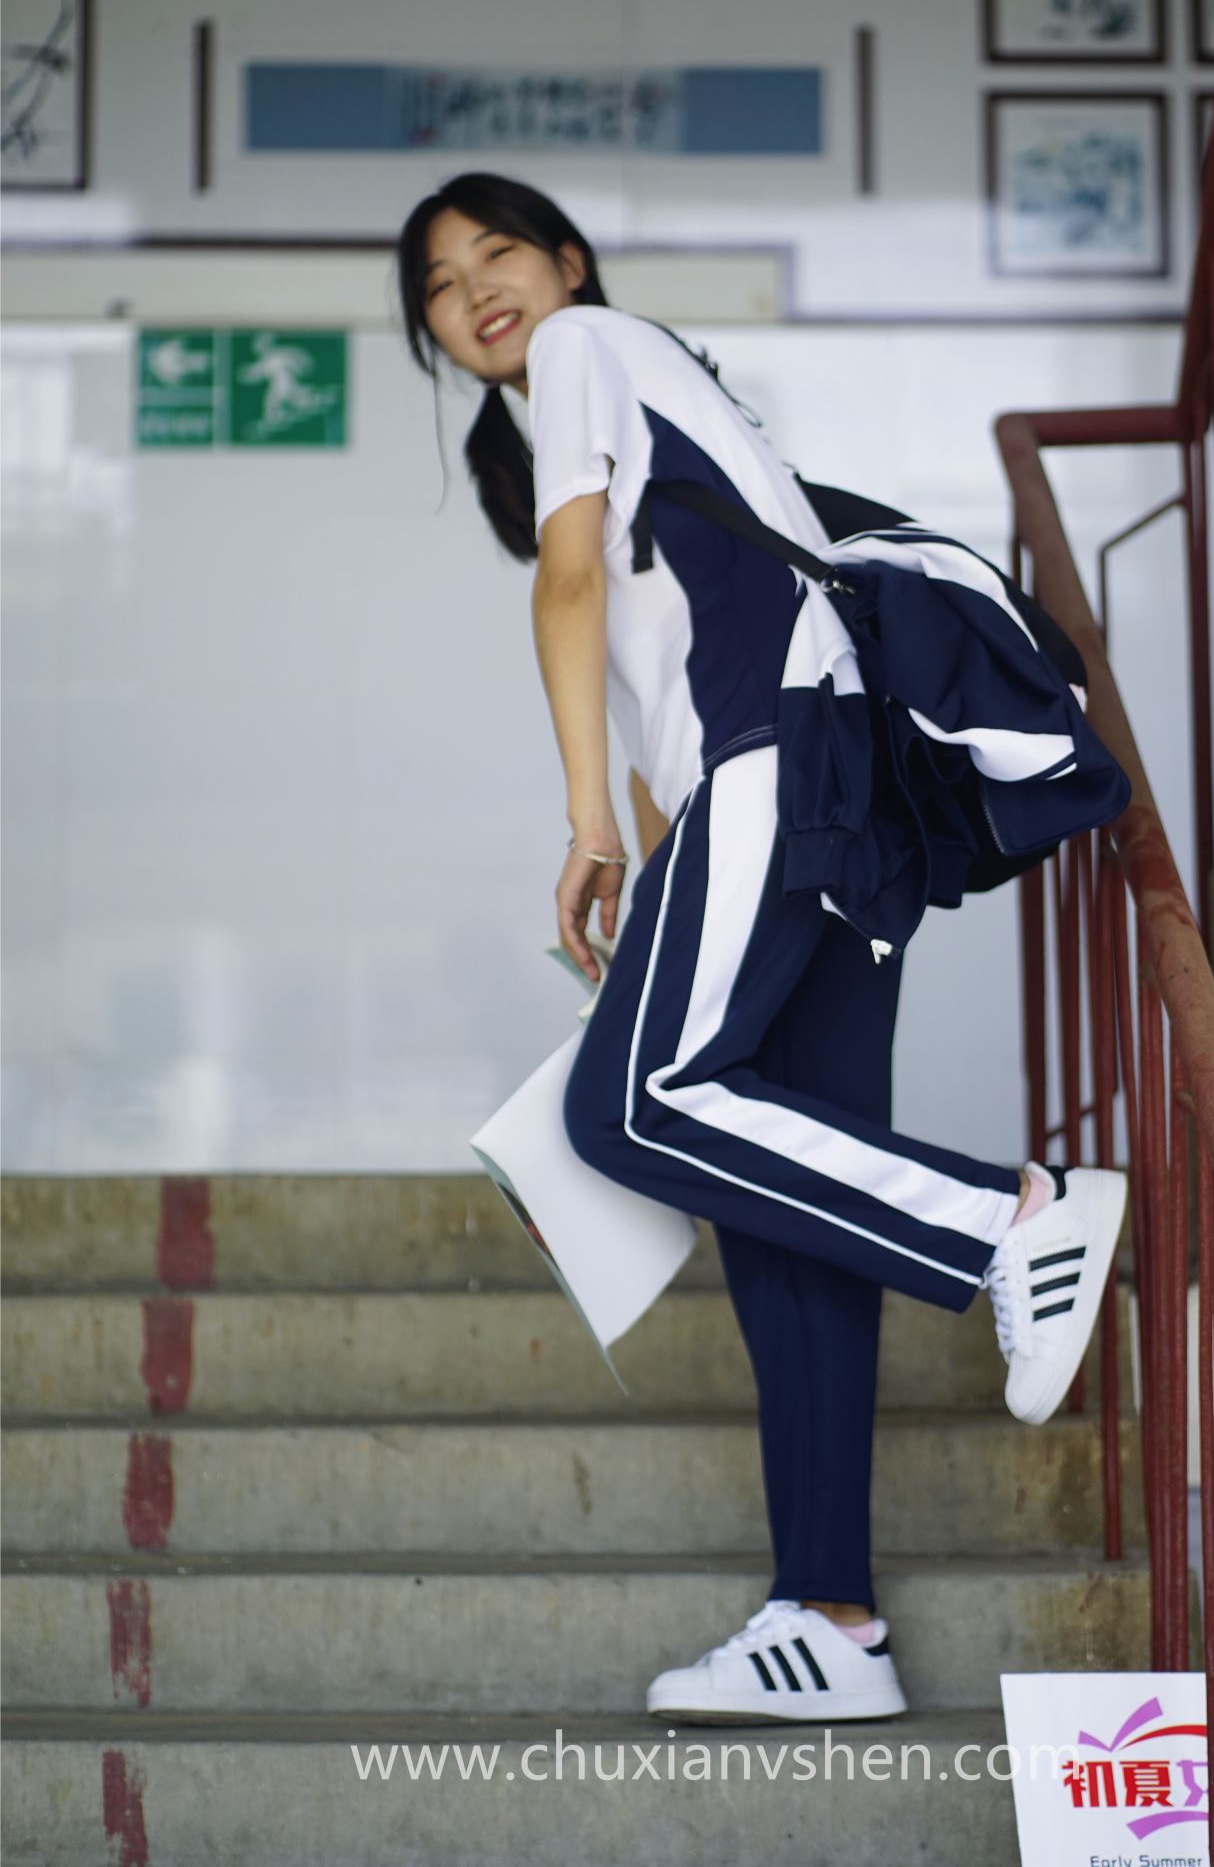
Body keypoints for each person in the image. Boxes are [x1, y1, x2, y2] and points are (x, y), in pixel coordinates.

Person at [396, 171, 1127, 1726]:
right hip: (821, 811)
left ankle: (1013, 1218)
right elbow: (654, 681)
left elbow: (573, 584)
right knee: (788, 1227)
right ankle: (832, 1619)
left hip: (779, 765)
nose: (476, 293)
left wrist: (587, 826)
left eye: (497, 253)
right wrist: (652, 864)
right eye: (442, 287)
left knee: (629, 1108)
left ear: (568, 262)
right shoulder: (653, 416)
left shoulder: (585, 347)